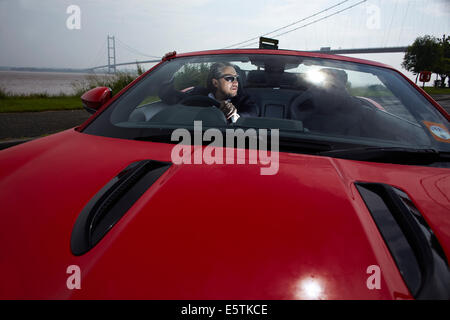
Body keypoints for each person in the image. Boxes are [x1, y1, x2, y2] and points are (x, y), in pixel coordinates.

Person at [158, 62, 258, 121]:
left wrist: (233, 114)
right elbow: (168, 95)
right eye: (230, 78)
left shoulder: (244, 100)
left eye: (236, 78)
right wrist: (170, 70)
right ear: (215, 83)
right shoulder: (197, 94)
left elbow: (250, 115)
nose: (236, 82)